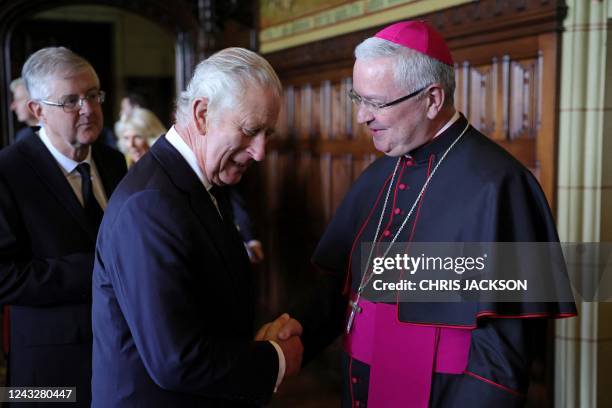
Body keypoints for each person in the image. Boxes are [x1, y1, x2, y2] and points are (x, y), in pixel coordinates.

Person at [266, 20, 577, 407]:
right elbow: (343, 284)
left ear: (432, 99)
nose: (361, 116)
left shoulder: (499, 186)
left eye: (376, 102)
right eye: (357, 98)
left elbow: (502, 355)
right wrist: (300, 327)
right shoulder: (381, 171)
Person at [91, 47, 303, 407]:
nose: (260, 152)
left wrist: (256, 342)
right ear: (202, 114)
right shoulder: (151, 203)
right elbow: (176, 361)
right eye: (251, 130)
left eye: (267, 133)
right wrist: (277, 359)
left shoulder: (194, 182)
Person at [0, 47, 127, 407]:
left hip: (120, 354)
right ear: (37, 111)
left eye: (93, 95)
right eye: (71, 100)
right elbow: (4, 276)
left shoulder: (113, 160)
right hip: (49, 369)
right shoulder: (8, 172)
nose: (88, 109)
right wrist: (99, 268)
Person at [9, 77, 38, 142]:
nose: (12, 107)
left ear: (35, 101)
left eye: (18, 100)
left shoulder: (55, 133)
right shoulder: (23, 136)